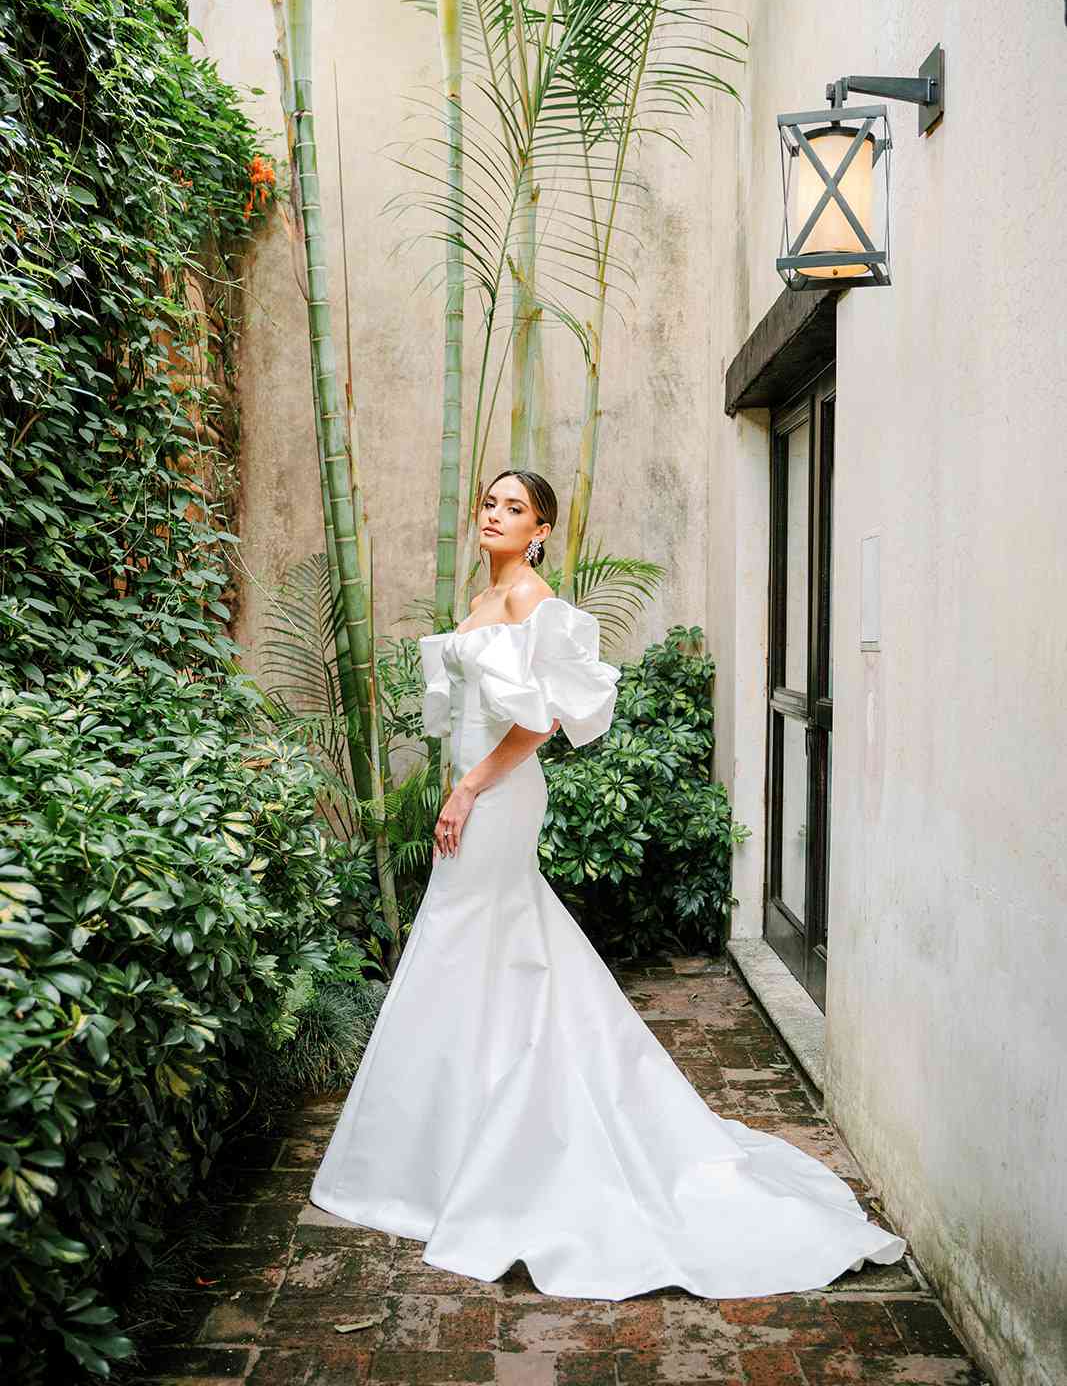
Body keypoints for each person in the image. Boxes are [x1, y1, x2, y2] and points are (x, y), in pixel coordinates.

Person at [309, 469, 907, 1299]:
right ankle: (460, 1141)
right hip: (480, 793)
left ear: (542, 528)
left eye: (514, 508)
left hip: (498, 797)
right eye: (489, 502)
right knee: (482, 947)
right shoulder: (484, 599)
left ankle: (501, 1146)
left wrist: (470, 787)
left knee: (464, 939)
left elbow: (541, 721)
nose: (494, 515)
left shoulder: (532, 600)